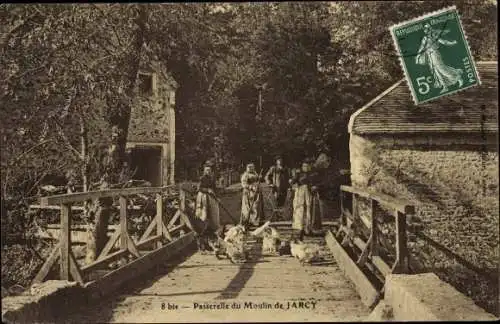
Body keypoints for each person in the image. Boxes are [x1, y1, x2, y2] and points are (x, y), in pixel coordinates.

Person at [415, 23, 463, 94]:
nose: (426, 31)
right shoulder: (425, 38)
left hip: (435, 54)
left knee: (441, 69)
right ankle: (445, 87)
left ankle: (458, 78)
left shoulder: (434, 36)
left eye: (427, 29)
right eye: (425, 30)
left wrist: (452, 43)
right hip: (430, 56)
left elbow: (444, 42)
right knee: (436, 71)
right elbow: (421, 47)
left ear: (430, 29)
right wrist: (418, 55)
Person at [290, 158, 322, 241]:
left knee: (309, 209)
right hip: (300, 192)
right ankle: (299, 228)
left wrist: (316, 186)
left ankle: (308, 228)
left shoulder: (313, 174)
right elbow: (292, 182)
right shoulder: (299, 174)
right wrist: (294, 182)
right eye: (304, 166)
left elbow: (318, 183)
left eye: (307, 166)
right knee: (300, 209)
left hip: (310, 193)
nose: (306, 167)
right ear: (302, 166)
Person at [195, 163, 220, 252]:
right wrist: (207, 190)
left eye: (209, 170)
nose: (208, 172)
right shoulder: (202, 179)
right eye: (206, 170)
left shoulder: (212, 179)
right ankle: (202, 244)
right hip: (203, 198)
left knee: (213, 219)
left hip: (211, 198)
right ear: (204, 171)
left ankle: (209, 242)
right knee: (203, 218)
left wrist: (217, 197)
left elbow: (215, 189)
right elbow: (199, 189)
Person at [240, 163, 264, 229]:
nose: (251, 169)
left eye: (252, 167)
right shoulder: (245, 175)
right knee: (248, 207)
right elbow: (244, 184)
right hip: (249, 193)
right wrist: (251, 187)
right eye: (249, 167)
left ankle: (256, 221)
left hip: (256, 192)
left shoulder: (255, 173)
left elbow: (257, 180)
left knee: (256, 206)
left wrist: (259, 178)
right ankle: (248, 221)